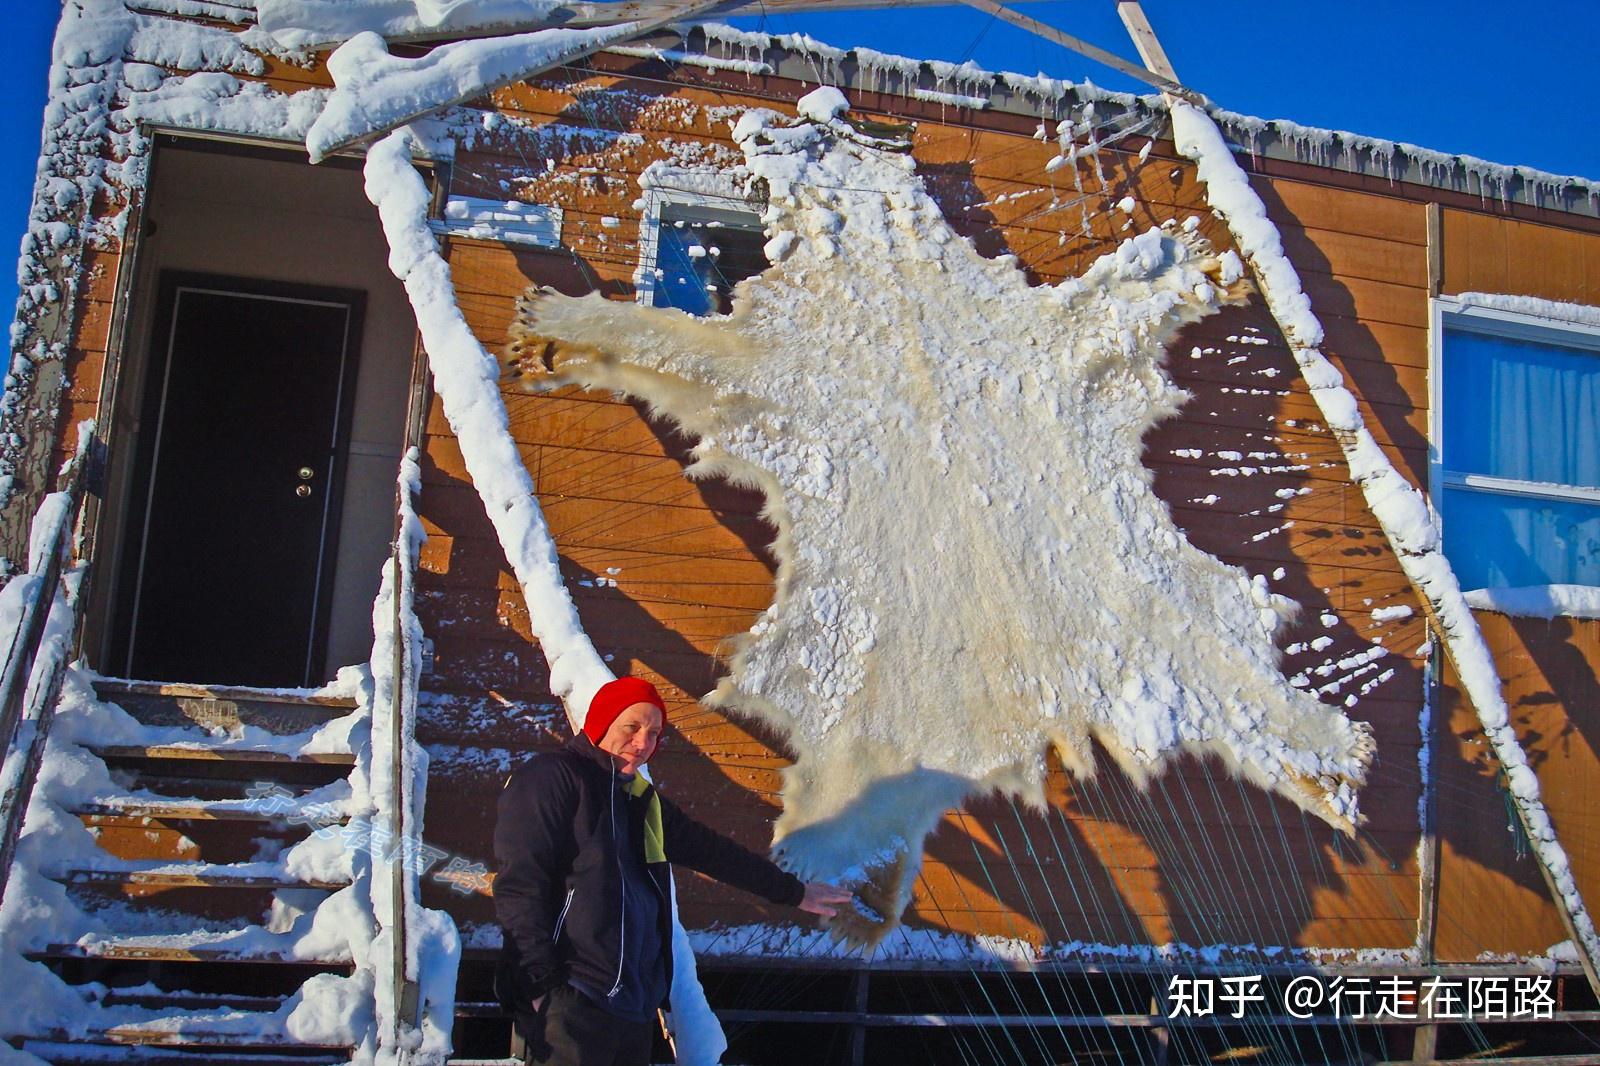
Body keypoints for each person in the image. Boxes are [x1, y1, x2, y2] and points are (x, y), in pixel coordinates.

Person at [493, 676, 853, 1066]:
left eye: (653, 733)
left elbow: (713, 853)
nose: (642, 743)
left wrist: (794, 892)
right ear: (601, 722)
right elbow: (520, 885)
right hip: (573, 998)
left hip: (631, 1008)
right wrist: (541, 984)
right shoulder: (555, 777)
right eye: (631, 727)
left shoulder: (639, 799)